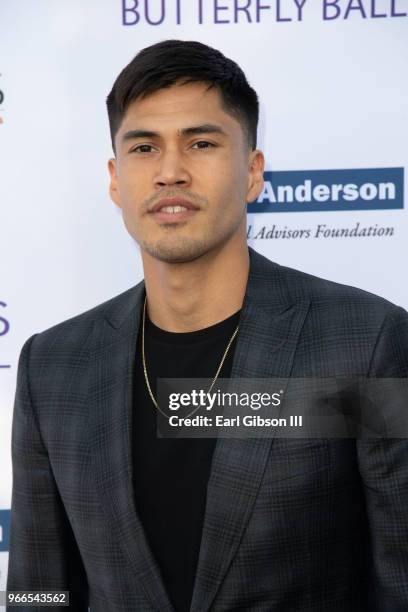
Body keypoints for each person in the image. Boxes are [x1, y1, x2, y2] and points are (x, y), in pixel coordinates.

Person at [7, 39, 408, 612]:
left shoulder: (366, 344)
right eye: (144, 147)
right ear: (117, 180)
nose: (170, 171)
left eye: (200, 143)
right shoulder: (53, 366)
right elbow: (36, 593)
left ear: (251, 172)